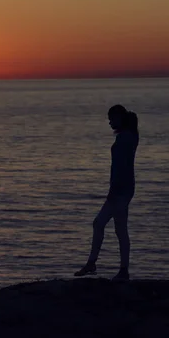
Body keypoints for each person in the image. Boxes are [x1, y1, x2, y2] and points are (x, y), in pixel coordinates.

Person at [74, 104, 139, 281]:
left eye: (112, 118)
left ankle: (100, 265)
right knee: (114, 228)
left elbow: (122, 167)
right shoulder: (129, 136)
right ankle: (112, 268)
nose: (109, 122)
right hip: (123, 188)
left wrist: (114, 189)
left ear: (120, 118)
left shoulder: (126, 138)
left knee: (105, 225)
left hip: (120, 189)